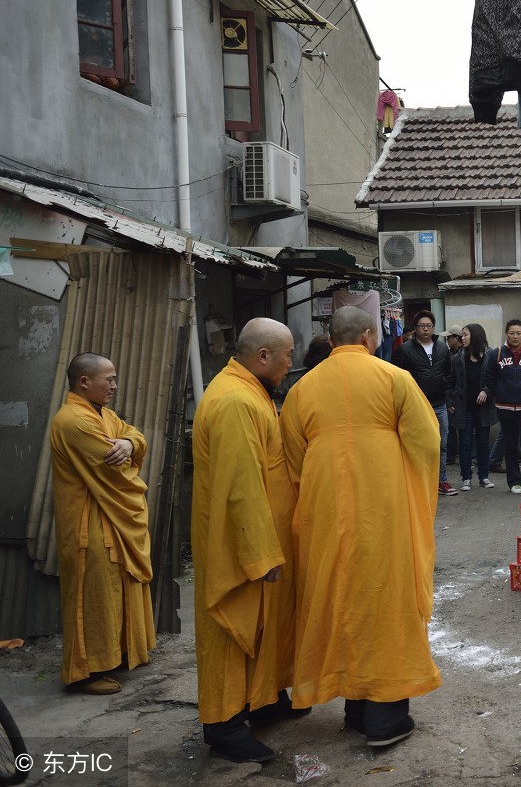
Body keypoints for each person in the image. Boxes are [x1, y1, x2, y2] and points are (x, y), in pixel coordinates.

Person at [280, 306, 441, 749]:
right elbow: (427, 445)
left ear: (332, 340)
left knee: (339, 598)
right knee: (386, 601)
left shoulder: (302, 388)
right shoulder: (395, 379)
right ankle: (385, 719)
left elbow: (293, 460)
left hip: (324, 513)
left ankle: (354, 707)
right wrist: (412, 490)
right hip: (385, 510)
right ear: (370, 336)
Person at [192, 318, 307, 763]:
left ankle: (262, 699)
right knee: (231, 630)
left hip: (260, 537)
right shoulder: (236, 400)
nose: (290, 361)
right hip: (239, 546)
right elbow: (241, 487)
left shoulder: (248, 391)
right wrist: (260, 554)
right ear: (263, 357)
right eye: (286, 354)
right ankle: (222, 725)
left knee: (263, 628)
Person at [48, 353, 155, 695]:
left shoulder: (102, 415)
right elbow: (116, 472)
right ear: (84, 382)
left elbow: (131, 434)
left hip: (109, 518)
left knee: (113, 591)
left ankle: (113, 656)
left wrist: (129, 442)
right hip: (88, 523)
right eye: (108, 379)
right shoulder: (73, 421)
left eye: (114, 379)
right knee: (92, 596)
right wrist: (128, 448)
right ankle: (84, 673)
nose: (114, 385)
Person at [393, 310, 457, 496]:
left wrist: (446, 393)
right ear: (415, 328)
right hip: (416, 406)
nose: (426, 329)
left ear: (433, 327)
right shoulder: (405, 350)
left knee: (441, 444)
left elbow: (449, 374)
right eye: (422, 325)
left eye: (429, 325)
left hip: (439, 404)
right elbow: (398, 377)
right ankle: (419, 482)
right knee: (418, 445)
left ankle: (441, 480)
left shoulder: (442, 348)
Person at [482, 319, 521, 495]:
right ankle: (514, 481)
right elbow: (489, 377)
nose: (515, 336)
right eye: (512, 333)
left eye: (518, 333)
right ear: (506, 334)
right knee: (510, 445)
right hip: (505, 406)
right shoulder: (497, 354)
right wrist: (499, 394)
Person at [453, 324, 497, 491]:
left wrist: (486, 391)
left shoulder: (489, 356)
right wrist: (451, 402)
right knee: (464, 442)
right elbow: (452, 381)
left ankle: (484, 477)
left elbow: (494, 379)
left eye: (465, 335)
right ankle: (466, 478)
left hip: (483, 407)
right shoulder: (458, 358)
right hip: (464, 407)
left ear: (476, 336)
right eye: (461, 335)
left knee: (483, 442)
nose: (461, 338)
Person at [444, 325, 466, 465]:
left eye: (449, 337)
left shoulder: (462, 355)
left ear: (457, 338)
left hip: (460, 397)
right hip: (452, 396)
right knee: (450, 427)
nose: (447, 340)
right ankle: (451, 455)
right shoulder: (450, 353)